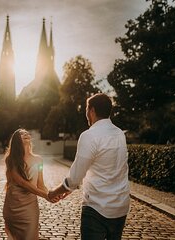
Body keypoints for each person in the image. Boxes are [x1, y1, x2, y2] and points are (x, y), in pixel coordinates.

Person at [48, 93, 130, 240]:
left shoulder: (89, 136)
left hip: (97, 208)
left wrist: (54, 192)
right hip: (120, 207)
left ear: (91, 111)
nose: (86, 114)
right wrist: (72, 188)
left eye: (86, 109)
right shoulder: (119, 134)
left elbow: (74, 178)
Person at [3, 128, 50, 240]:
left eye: (26, 133)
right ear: (16, 140)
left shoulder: (39, 161)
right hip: (13, 207)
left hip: (30, 208)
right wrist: (46, 196)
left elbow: (41, 184)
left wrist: (52, 194)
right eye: (21, 134)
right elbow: (22, 183)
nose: (25, 134)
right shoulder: (10, 160)